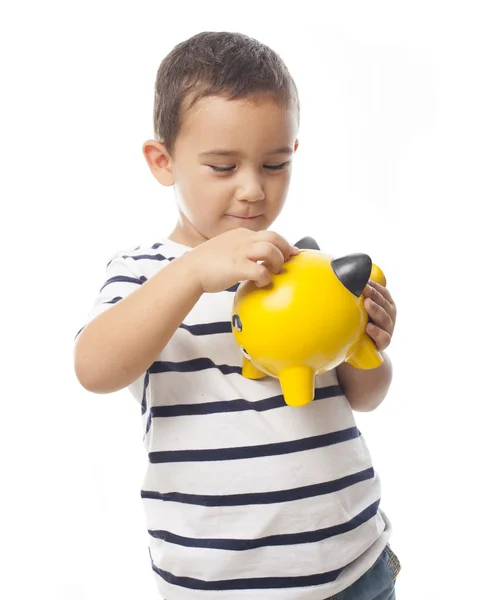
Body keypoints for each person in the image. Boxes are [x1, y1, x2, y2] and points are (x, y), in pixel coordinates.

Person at [74, 31, 401, 600]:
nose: (253, 190)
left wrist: (368, 341)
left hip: (356, 566)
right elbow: (94, 368)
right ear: (163, 161)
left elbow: (363, 396)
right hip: (221, 585)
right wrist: (194, 272)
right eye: (223, 167)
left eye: (274, 164)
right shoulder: (147, 273)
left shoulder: (305, 267)